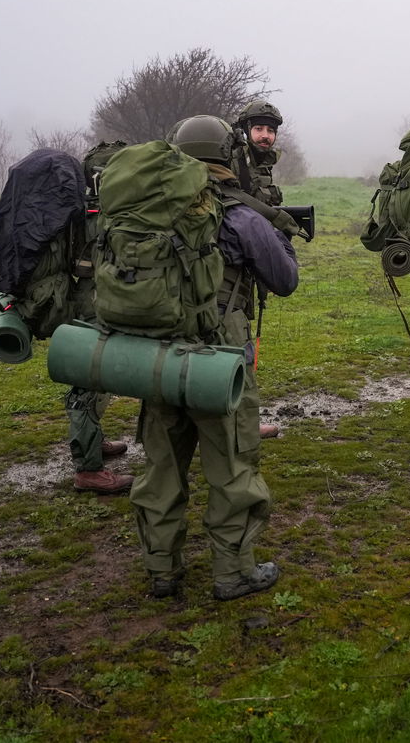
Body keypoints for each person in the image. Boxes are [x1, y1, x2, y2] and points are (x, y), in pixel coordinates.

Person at [129, 123, 298, 601]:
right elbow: (284, 280)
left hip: (157, 355)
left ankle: (162, 569)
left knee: (161, 466)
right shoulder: (241, 215)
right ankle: (234, 572)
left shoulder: (147, 211)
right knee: (232, 467)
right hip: (221, 360)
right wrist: (280, 233)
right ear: (229, 152)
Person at [68, 145, 133, 493]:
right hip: (95, 302)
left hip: (97, 299)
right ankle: (88, 469)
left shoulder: (91, 211)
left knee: (97, 377)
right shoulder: (99, 215)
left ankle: (95, 443)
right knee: (89, 379)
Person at [235, 99, 287, 437]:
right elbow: (235, 201)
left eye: (270, 130)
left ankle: (243, 419)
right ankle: (241, 422)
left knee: (241, 337)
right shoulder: (236, 160)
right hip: (230, 263)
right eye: (259, 129)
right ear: (246, 130)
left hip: (245, 262)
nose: (265, 136)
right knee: (235, 341)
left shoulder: (260, 163)